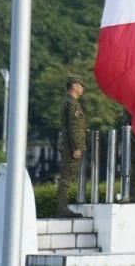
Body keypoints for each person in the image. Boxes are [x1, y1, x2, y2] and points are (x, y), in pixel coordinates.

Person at [56, 75, 86, 217]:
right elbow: (74, 128)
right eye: (81, 85)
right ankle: (62, 209)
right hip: (70, 147)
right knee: (67, 178)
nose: (82, 88)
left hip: (67, 145)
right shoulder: (73, 104)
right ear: (74, 86)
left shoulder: (66, 102)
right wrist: (76, 148)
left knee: (66, 176)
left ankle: (62, 208)